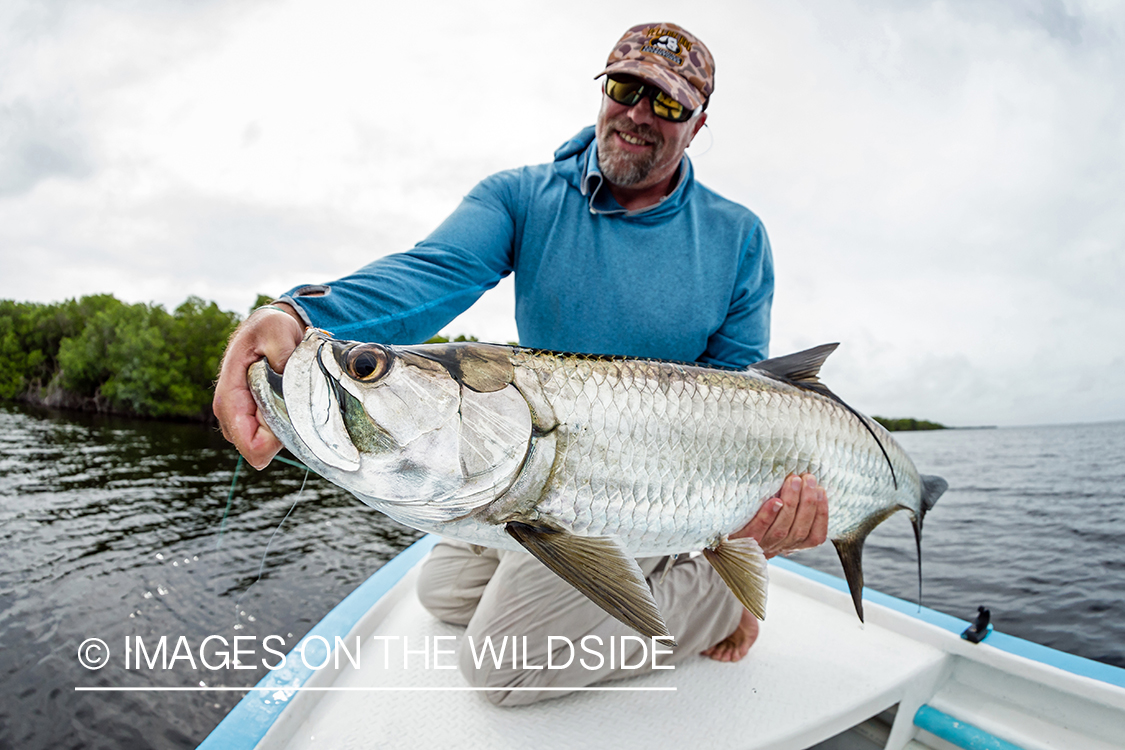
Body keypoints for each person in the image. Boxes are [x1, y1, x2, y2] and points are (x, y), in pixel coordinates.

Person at [213, 22, 828, 705]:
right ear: (603, 90)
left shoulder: (737, 236)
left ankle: (713, 597)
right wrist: (294, 315)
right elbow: (430, 273)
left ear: (698, 122)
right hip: (542, 470)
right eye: (627, 89)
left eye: (669, 105)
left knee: (503, 668)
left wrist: (747, 522)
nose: (638, 115)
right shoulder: (521, 196)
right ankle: (646, 573)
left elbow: (738, 392)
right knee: (441, 591)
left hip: (648, 483)